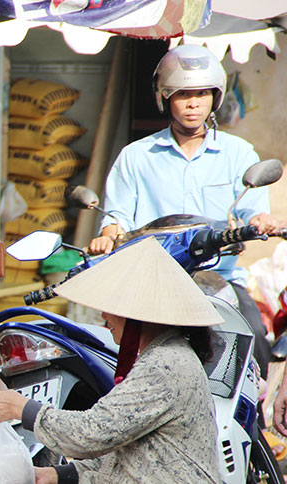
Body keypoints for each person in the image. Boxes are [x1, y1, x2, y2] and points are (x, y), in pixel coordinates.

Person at [87, 44, 279, 377]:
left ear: (215, 98)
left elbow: (252, 212)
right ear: (165, 97)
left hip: (219, 280)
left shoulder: (239, 154)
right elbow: (118, 215)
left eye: (202, 93)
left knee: (256, 341)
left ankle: (252, 405)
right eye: (183, 94)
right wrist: (108, 233)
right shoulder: (136, 156)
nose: (193, 103)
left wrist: (260, 221)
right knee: (115, 352)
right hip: (154, 279)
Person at [0, 237, 223, 484]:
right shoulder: (166, 355)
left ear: (137, 314)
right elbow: (131, 454)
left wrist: (22, 409)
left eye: (112, 306)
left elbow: (93, 432)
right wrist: (57, 475)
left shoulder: (165, 365)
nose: (105, 315)